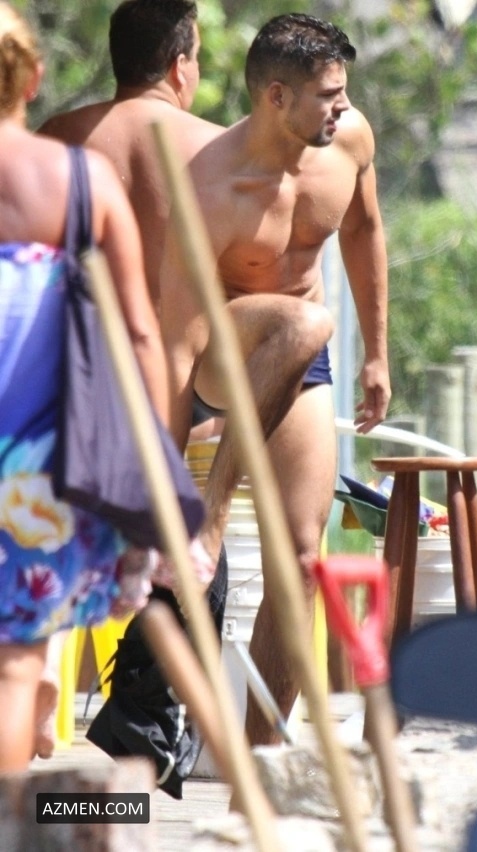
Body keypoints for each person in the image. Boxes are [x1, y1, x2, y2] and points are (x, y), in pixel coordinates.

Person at [38, 0, 334, 793]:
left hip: (83, 379)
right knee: (235, 544)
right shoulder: (213, 148)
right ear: (181, 64)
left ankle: (90, 728)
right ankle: (225, 761)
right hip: (188, 372)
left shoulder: (56, 141)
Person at [160, 13, 391, 746]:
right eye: (327, 96)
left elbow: (364, 230)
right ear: (276, 97)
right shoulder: (211, 185)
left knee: (302, 560)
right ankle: (212, 511)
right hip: (219, 350)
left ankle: (259, 764)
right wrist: (166, 480)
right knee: (304, 323)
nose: (342, 108)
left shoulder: (348, 141)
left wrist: (378, 353)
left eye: (343, 92)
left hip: (302, 351)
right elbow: (177, 341)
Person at [0, 2, 186, 773]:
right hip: (35, 472)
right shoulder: (80, 182)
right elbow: (141, 336)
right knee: (14, 667)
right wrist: (154, 472)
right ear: (33, 78)